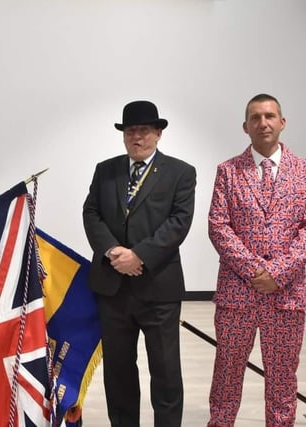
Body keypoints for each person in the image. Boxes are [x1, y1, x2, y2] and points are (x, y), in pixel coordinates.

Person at [82, 100, 196, 426]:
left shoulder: (181, 172)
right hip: (112, 287)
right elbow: (92, 214)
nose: (136, 137)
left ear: (158, 133)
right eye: (130, 130)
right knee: (118, 371)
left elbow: (179, 222)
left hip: (158, 288)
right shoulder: (106, 170)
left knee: (165, 371)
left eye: (144, 130)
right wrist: (113, 252)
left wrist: (139, 256)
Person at [207, 94, 306, 426]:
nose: (262, 123)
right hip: (238, 294)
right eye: (255, 117)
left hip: (287, 294)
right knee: (227, 374)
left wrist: (277, 272)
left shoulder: (304, 172)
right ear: (245, 126)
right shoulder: (228, 172)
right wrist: (254, 271)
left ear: (282, 122)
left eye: (269, 116)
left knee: (282, 378)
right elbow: (218, 226)